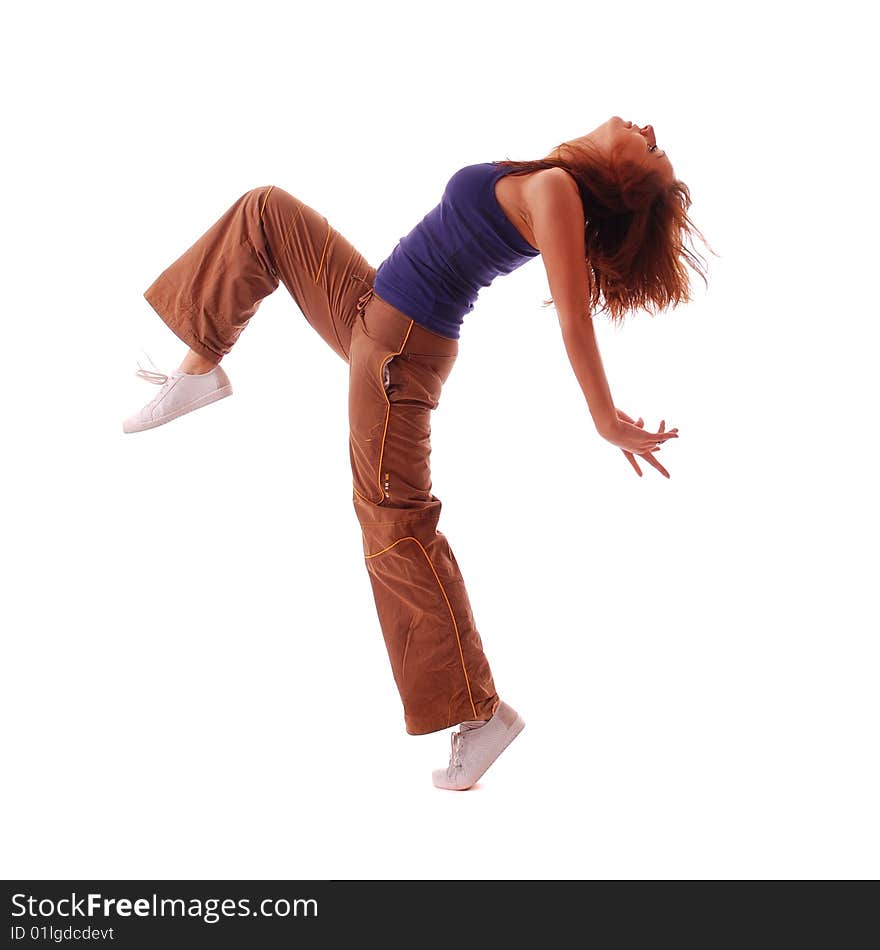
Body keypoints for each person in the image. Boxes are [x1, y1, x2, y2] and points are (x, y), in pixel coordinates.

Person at [123, 115, 712, 790]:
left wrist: (605, 418)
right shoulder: (549, 175)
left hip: (398, 350)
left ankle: (481, 714)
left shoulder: (555, 192)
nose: (648, 127)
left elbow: (575, 319)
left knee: (395, 523)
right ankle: (199, 371)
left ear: (620, 174)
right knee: (266, 211)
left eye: (651, 148)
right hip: (370, 304)